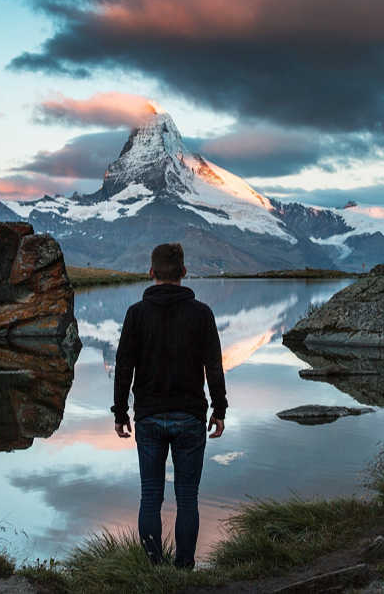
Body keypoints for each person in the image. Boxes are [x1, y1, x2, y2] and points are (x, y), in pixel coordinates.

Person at [111, 242, 228, 569]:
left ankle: (154, 568)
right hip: (190, 416)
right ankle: (184, 570)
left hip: (148, 417)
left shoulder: (136, 314)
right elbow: (214, 366)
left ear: (151, 273)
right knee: (187, 499)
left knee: (151, 497)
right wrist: (219, 410)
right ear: (183, 273)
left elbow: (123, 367)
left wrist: (120, 413)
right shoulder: (201, 313)